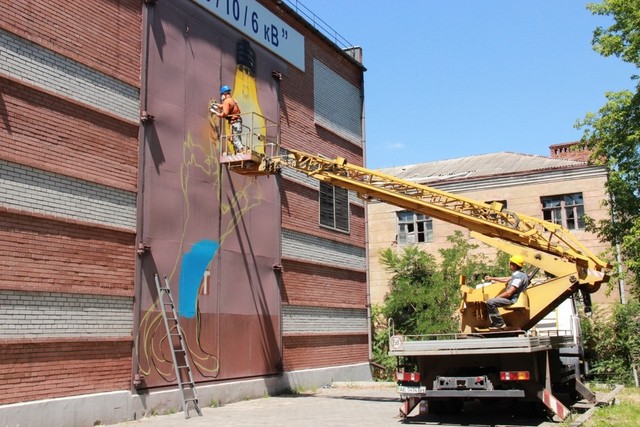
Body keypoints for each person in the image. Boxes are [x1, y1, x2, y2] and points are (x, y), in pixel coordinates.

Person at [483, 254, 529, 329]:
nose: (509, 265)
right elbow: (506, 279)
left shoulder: (518, 278)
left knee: (490, 302)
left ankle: (499, 323)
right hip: (512, 298)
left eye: (510, 263)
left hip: (512, 299)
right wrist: (492, 278)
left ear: (514, 265)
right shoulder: (520, 275)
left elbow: (509, 293)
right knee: (492, 301)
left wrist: (496, 298)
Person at [214, 85, 244, 153]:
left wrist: (217, 114)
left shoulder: (226, 101)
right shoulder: (232, 100)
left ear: (224, 93)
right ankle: (238, 152)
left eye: (222, 94)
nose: (221, 96)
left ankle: (242, 151)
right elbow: (223, 106)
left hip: (234, 123)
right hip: (238, 122)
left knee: (235, 139)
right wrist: (216, 105)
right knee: (237, 138)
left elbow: (225, 113)